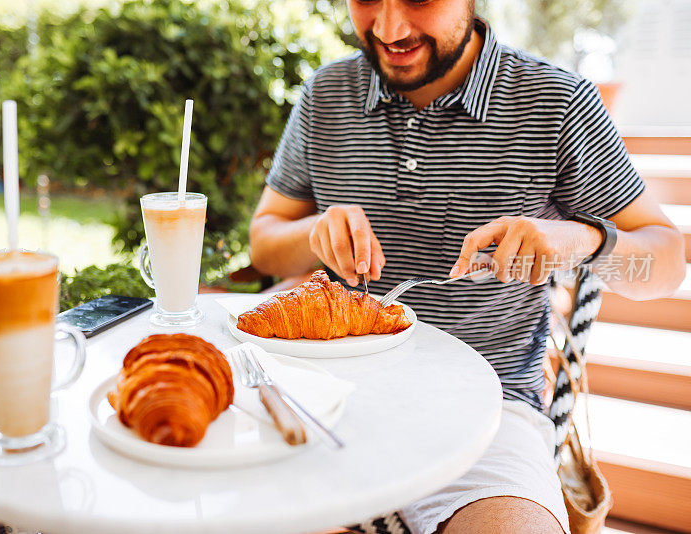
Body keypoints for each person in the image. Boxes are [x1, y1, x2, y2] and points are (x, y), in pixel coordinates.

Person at [248, 0, 686, 533]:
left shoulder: (556, 101)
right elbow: (265, 243)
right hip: (326, 395)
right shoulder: (326, 94)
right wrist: (313, 233)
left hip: (491, 413)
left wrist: (582, 241)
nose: (389, 29)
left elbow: (667, 264)